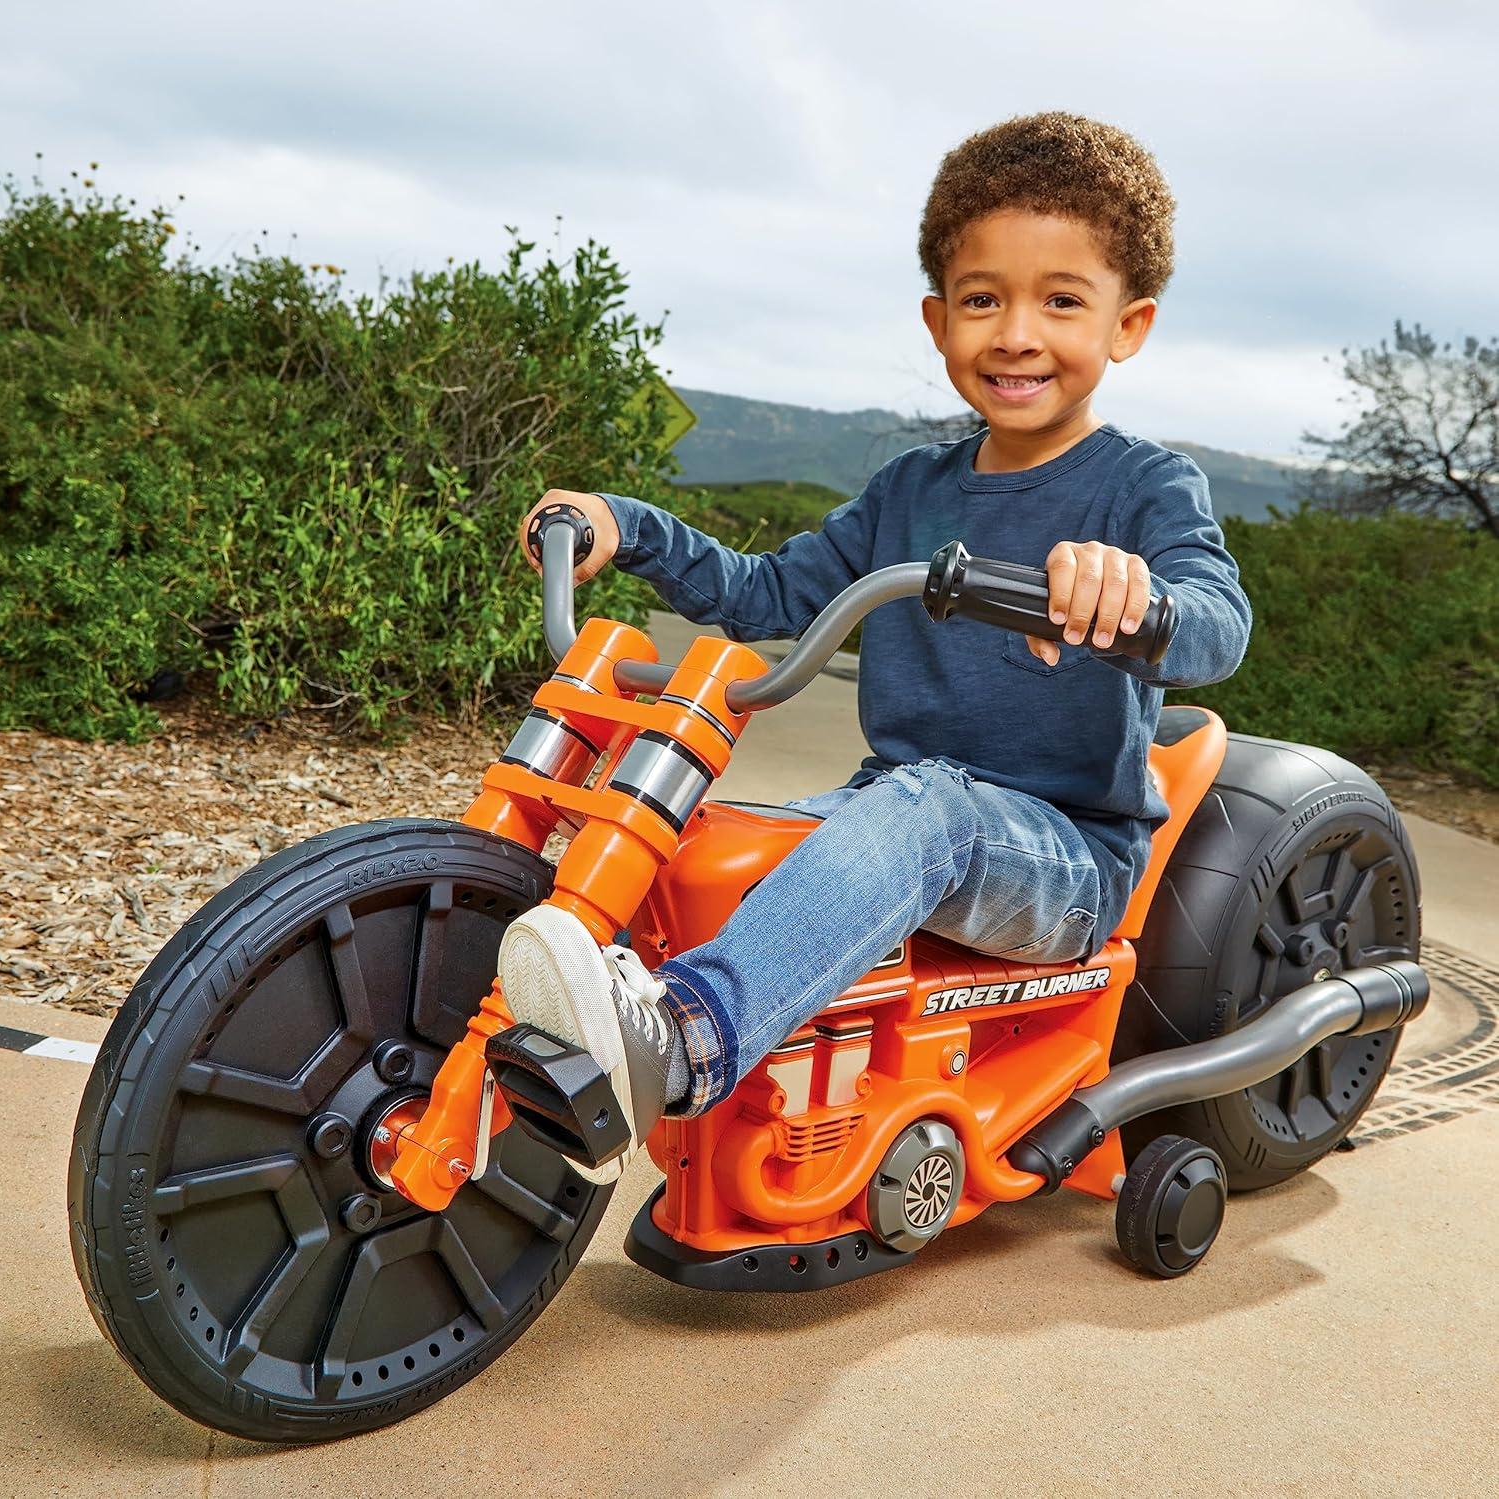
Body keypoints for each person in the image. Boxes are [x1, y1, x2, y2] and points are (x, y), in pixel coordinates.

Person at [500, 111, 1253, 1184]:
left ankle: (686, 1041)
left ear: (1128, 326)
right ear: (939, 318)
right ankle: (566, 999)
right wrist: (633, 523)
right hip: (894, 808)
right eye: (983, 299)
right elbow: (767, 591)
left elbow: (1217, 627)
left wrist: (1137, 600)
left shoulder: (1145, 489)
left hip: (1066, 857)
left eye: (1062, 301)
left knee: (925, 806)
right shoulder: (910, 492)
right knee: (713, 844)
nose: (1016, 333)